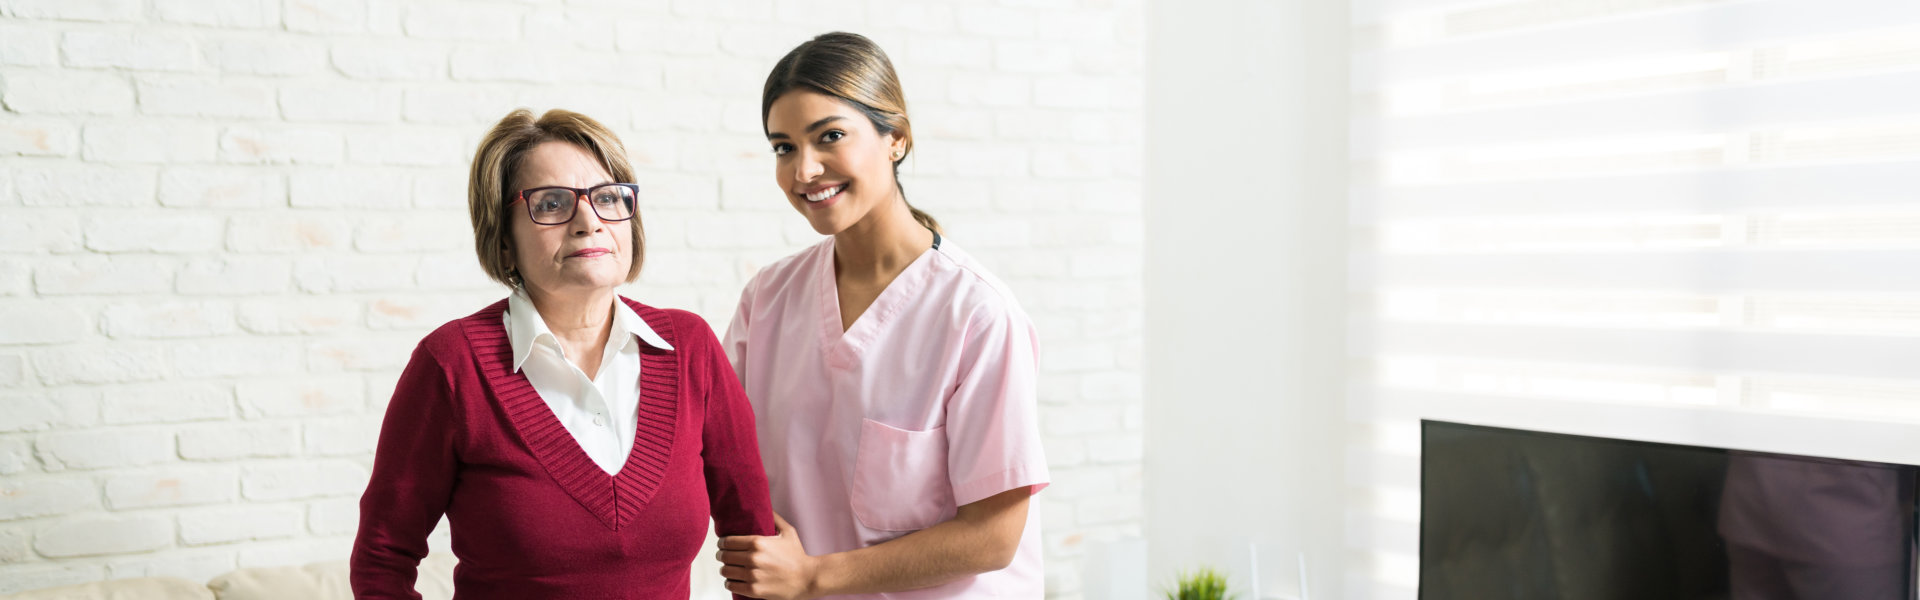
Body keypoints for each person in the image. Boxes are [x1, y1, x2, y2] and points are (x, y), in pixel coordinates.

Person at [351, 108, 775, 599]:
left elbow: (754, 542)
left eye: (608, 197)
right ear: (504, 239)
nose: (588, 221)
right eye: (551, 203)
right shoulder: (451, 366)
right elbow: (383, 558)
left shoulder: (691, 347)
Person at [716, 32, 1050, 600]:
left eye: (830, 137)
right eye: (784, 147)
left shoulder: (976, 315)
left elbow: (994, 536)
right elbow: (715, 454)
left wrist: (812, 577)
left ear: (895, 138)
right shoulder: (767, 300)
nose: (804, 170)